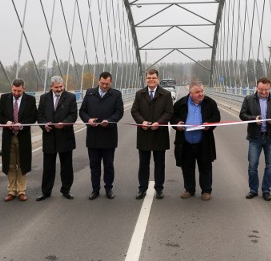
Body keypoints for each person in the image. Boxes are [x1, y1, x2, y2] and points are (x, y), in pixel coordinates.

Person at [171, 80, 221, 201]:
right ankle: (189, 190)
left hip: (203, 141)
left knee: (205, 166)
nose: (201, 94)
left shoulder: (210, 103)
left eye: (202, 91)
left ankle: (206, 191)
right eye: (197, 92)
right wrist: (177, 123)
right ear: (190, 93)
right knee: (187, 167)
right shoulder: (180, 103)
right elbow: (172, 117)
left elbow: (216, 117)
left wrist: (209, 124)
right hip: (185, 142)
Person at [79, 72, 124, 200]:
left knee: (108, 164)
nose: (104, 86)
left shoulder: (116, 94)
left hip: (109, 135)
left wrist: (109, 121)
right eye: (102, 83)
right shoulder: (90, 93)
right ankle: (95, 189)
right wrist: (88, 120)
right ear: (98, 81)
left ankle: (108, 188)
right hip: (93, 135)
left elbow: (119, 112)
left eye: (107, 84)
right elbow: (82, 111)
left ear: (111, 82)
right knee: (94, 164)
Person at [131, 68, 174, 200]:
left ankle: (159, 189)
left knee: (160, 164)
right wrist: (141, 121)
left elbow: (169, 112)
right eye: (149, 78)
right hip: (144, 133)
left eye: (154, 78)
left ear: (158, 79)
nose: (151, 80)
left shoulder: (165, 94)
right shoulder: (139, 94)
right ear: (146, 79)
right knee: (143, 164)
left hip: (159, 133)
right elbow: (134, 111)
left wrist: (159, 123)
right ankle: (142, 188)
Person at [239, 77, 271, 201]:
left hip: (270, 138)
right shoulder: (248, 99)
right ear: (256, 88)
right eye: (261, 90)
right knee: (252, 166)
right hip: (255, 138)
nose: (264, 92)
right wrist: (254, 119)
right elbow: (242, 115)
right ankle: (253, 189)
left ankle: (266, 190)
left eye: (266, 90)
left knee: (270, 166)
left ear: (270, 89)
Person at [36, 76, 78, 201]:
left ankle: (66, 190)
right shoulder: (44, 98)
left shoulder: (70, 97)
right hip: (49, 137)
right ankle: (46, 191)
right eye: (56, 87)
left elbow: (73, 115)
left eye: (61, 87)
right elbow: (39, 115)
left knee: (66, 166)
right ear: (51, 87)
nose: (59, 89)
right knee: (48, 167)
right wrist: (44, 125)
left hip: (65, 136)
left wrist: (64, 123)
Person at [0, 79, 38, 202]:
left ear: (23, 89)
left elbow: (34, 117)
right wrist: (6, 122)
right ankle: (11, 191)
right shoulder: (4, 98)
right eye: (14, 90)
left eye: (19, 91)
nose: (16, 93)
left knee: (22, 164)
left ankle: (21, 191)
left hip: (23, 136)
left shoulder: (30, 100)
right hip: (8, 137)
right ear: (11, 88)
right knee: (10, 164)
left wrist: (22, 124)